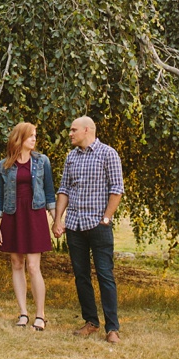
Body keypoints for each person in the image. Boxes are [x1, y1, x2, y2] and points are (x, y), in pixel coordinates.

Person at [52, 115, 124, 343]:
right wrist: (57, 220)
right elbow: (64, 189)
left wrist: (106, 218)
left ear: (87, 130)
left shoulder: (108, 154)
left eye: (73, 130)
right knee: (81, 276)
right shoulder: (71, 157)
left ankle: (112, 328)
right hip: (75, 225)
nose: (70, 134)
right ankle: (91, 321)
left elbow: (117, 189)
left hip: (98, 226)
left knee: (105, 275)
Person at [0, 121, 56, 331]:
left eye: (35, 135)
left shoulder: (42, 161)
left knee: (33, 266)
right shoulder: (5, 165)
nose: (34, 139)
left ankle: (40, 315)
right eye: (31, 136)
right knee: (17, 264)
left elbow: (49, 193)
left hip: (34, 214)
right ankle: (23, 313)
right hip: (13, 215)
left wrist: (56, 220)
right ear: (20, 138)